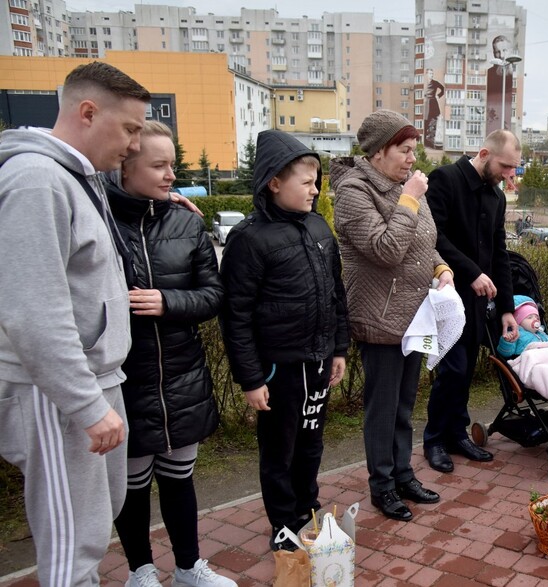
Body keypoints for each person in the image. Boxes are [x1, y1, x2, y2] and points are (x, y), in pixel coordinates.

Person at [0, 61, 148, 586]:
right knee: (70, 544)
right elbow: (32, 310)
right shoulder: (36, 181)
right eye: (130, 128)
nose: (135, 145)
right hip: (59, 394)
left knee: (89, 528)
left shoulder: (72, 178)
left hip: (91, 382)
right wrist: (85, 403)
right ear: (88, 112)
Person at [103, 120, 234, 587]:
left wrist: (167, 302)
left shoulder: (185, 220)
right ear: (123, 167)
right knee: (131, 486)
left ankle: (187, 568)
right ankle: (140, 571)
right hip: (123, 381)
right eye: (158, 165)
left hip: (181, 377)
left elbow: (214, 294)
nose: (170, 175)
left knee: (180, 479)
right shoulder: (97, 219)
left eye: (172, 164)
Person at [219, 129, 350, 550]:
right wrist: (251, 379)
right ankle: (282, 522)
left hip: (317, 364)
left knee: (311, 441)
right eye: (307, 182)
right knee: (280, 450)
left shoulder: (318, 226)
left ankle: (306, 509)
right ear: (275, 182)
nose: (315, 190)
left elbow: (335, 293)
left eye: (317, 181)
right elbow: (235, 315)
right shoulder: (249, 239)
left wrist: (339, 349)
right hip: (279, 368)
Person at [331, 110, 449, 521]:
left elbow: (422, 242)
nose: (411, 158)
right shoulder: (353, 191)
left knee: (404, 406)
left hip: (416, 317)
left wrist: (441, 268)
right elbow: (386, 248)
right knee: (381, 411)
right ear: (380, 150)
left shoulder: (406, 186)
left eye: (413, 150)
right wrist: (411, 198)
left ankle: (403, 474)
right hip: (380, 319)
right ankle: (381, 485)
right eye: (403, 149)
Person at [423, 129, 520, 473]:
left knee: (464, 373)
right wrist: (471, 272)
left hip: (478, 302)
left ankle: (457, 433)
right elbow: (433, 236)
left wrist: (507, 309)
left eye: (514, 169)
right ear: (483, 153)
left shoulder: (497, 196)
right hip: (448, 293)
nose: (510, 175)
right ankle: (434, 439)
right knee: (452, 369)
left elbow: (499, 253)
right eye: (506, 166)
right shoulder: (445, 179)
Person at [423, 69, 445, 149]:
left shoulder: (435, 83)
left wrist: (438, 96)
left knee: (433, 122)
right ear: (426, 74)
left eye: (432, 73)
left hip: (433, 103)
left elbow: (443, 89)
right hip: (426, 104)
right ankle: (426, 142)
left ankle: (432, 141)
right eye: (430, 73)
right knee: (426, 122)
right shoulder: (423, 83)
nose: (431, 75)